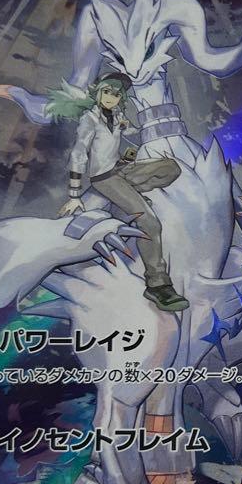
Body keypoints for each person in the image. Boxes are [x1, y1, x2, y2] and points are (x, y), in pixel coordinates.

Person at [49, 72, 188, 312]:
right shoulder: (90, 119)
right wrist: (74, 195)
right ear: (98, 93)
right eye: (106, 92)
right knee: (150, 223)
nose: (110, 98)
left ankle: (131, 195)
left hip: (120, 169)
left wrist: (129, 129)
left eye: (115, 94)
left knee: (170, 168)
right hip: (104, 178)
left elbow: (131, 133)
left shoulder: (116, 115)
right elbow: (79, 154)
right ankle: (157, 284)